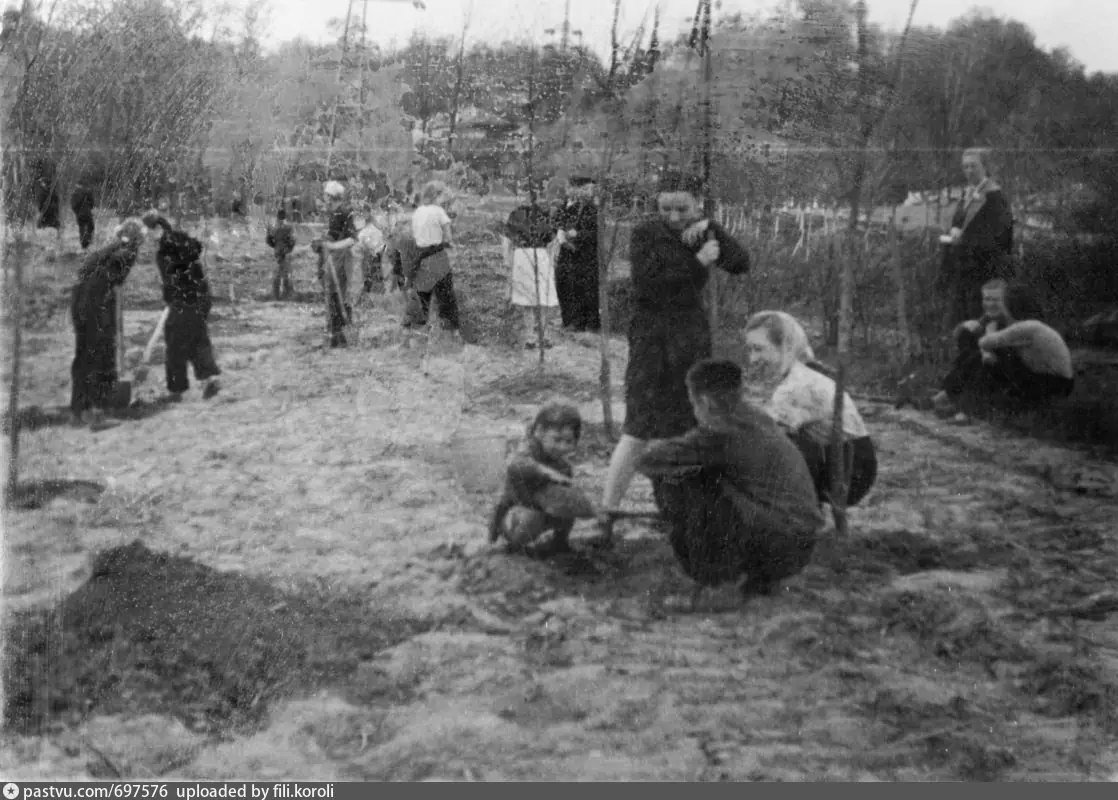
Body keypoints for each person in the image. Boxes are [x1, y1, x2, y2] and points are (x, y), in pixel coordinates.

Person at [597, 168, 751, 546]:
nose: (674, 216)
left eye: (682, 208)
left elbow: (740, 262)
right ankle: (607, 512)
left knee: (688, 427)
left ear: (696, 204)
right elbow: (651, 284)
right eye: (666, 207)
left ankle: (679, 511)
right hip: (652, 343)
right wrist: (698, 260)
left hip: (691, 342)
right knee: (638, 428)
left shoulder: (702, 226)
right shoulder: (646, 233)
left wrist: (714, 229)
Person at [635, 360, 825, 608]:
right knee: (714, 480)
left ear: (703, 401)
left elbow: (647, 461)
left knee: (677, 483)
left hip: (778, 544)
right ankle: (756, 581)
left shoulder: (721, 431)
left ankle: (718, 585)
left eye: (693, 403)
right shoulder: (755, 417)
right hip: (800, 546)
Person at [743, 311, 877, 508]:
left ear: (785, 347)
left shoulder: (796, 386)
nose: (752, 359)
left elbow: (763, 434)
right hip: (846, 459)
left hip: (850, 470)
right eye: (750, 350)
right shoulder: (801, 373)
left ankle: (797, 516)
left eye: (759, 349)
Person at [936, 282, 1074, 422]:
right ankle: (958, 401)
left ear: (1008, 306)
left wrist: (986, 337)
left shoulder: (1026, 326)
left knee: (985, 359)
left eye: (999, 301)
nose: (993, 305)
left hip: (1053, 383)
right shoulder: (1021, 323)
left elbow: (985, 343)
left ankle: (962, 405)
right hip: (1043, 376)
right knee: (981, 357)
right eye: (987, 299)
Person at [489, 403, 597, 557]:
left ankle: (560, 542)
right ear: (539, 432)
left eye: (568, 442)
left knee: (567, 504)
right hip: (515, 513)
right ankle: (514, 548)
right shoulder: (528, 451)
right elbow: (515, 465)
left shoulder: (564, 467)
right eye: (557, 439)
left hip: (543, 510)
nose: (562, 447)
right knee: (533, 518)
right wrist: (544, 471)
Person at [70, 219, 146, 430]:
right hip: (96, 302)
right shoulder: (127, 253)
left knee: (84, 354)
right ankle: (97, 413)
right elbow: (113, 281)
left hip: (79, 302)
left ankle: (79, 411)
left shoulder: (107, 249)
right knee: (101, 355)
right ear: (137, 240)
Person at [141, 211, 221, 401]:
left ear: (157, 229)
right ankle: (209, 380)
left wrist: (172, 296)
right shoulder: (182, 240)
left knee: (175, 342)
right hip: (200, 297)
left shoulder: (167, 247)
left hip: (185, 299)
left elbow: (172, 277)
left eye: (150, 232)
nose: (149, 238)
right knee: (197, 337)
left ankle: (176, 390)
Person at [939, 147, 1015, 325]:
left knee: (980, 321)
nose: (969, 171)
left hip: (984, 271)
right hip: (963, 271)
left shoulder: (995, 198)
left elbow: (1000, 237)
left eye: (974, 166)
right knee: (960, 322)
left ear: (985, 167)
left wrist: (964, 240)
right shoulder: (966, 196)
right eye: (965, 167)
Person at [403, 181, 460, 332]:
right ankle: (450, 331)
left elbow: (414, 235)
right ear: (436, 196)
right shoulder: (439, 211)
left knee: (422, 295)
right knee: (446, 294)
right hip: (437, 255)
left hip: (420, 257)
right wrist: (452, 246)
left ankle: (415, 331)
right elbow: (448, 236)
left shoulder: (418, 212)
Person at [504, 199, 559, 348]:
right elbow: (553, 241)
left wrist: (508, 262)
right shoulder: (540, 216)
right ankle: (540, 335)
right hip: (537, 256)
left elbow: (507, 240)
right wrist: (552, 259)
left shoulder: (517, 215)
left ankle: (532, 336)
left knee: (529, 298)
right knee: (540, 298)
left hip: (525, 256)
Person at [553, 175, 601, 333]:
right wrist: (561, 233)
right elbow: (559, 224)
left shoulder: (592, 209)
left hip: (584, 254)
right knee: (564, 285)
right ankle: (569, 320)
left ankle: (584, 323)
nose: (587, 192)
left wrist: (576, 235)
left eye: (588, 189)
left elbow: (595, 233)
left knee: (582, 288)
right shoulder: (568, 208)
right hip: (566, 252)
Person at [319, 180, 358, 348]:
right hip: (332, 259)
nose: (324, 199)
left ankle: (342, 335)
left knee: (340, 296)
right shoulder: (333, 213)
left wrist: (333, 245)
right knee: (332, 296)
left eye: (326, 196)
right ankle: (334, 334)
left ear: (331, 197)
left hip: (342, 259)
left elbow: (352, 238)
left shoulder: (344, 212)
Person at [265, 209, 296, 300]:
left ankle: (276, 295)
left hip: (277, 251)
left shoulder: (272, 227)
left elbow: (268, 240)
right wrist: (289, 249)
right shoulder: (289, 227)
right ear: (285, 216)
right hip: (286, 252)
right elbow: (293, 240)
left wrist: (275, 246)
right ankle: (287, 294)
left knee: (277, 273)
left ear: (277, 216)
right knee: (287, 273)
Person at [71, 185, 96, 251]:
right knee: (91, 226)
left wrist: (77, 212)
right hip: (87, 213)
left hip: (79, 214)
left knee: (81, 228)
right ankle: (89, 241)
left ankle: (84, 245)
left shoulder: (74, 194)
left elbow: (73, 206)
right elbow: (92, 203)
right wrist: (88, 208)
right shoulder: (87, 192)